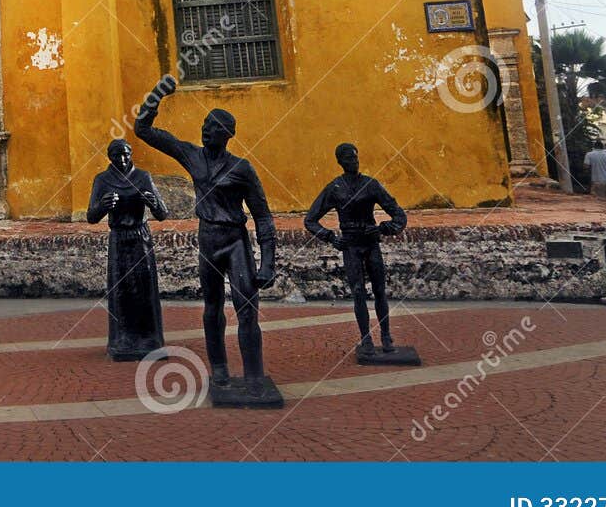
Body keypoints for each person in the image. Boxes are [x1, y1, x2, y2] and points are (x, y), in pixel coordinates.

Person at [134, 75, 277, 397]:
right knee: (212, 308)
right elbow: (143, 131)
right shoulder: (191, 155)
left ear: (226, 135)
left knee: (246, 308)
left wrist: (268, 262)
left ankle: (254, 376)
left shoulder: (242, 168)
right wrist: (156, 96)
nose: (204, 130)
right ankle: (221, 371)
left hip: (235, 240)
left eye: (211, 127)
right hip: (208, 240)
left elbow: (263, 217)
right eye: (203, 124)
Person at [305, 143, 407, 353]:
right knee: (358, 292)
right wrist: (331, 238)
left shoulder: (371, 185)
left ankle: (386, 336)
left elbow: (399, 215)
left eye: (356, 158)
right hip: (351, 246)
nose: (354, 162)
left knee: (380, 290)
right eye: (349, 159)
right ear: (340, 162)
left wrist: (383, 229)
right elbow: (310, 220)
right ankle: (366, 338)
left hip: (371, 244)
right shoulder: (334, 188)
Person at [85, 139, 168, 360]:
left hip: (141, 237)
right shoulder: (102, 180)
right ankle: (122, 338)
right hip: (119, 239)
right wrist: (103, 206)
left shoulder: (143, 177)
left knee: (144, 288)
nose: (122, 159)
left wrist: (152, 202)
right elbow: (91, 216)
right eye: (117, 155)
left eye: (126, 154)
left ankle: (149, 337)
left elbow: (163, 213)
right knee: (121, 289)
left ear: (131, 154)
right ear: (109, 157)